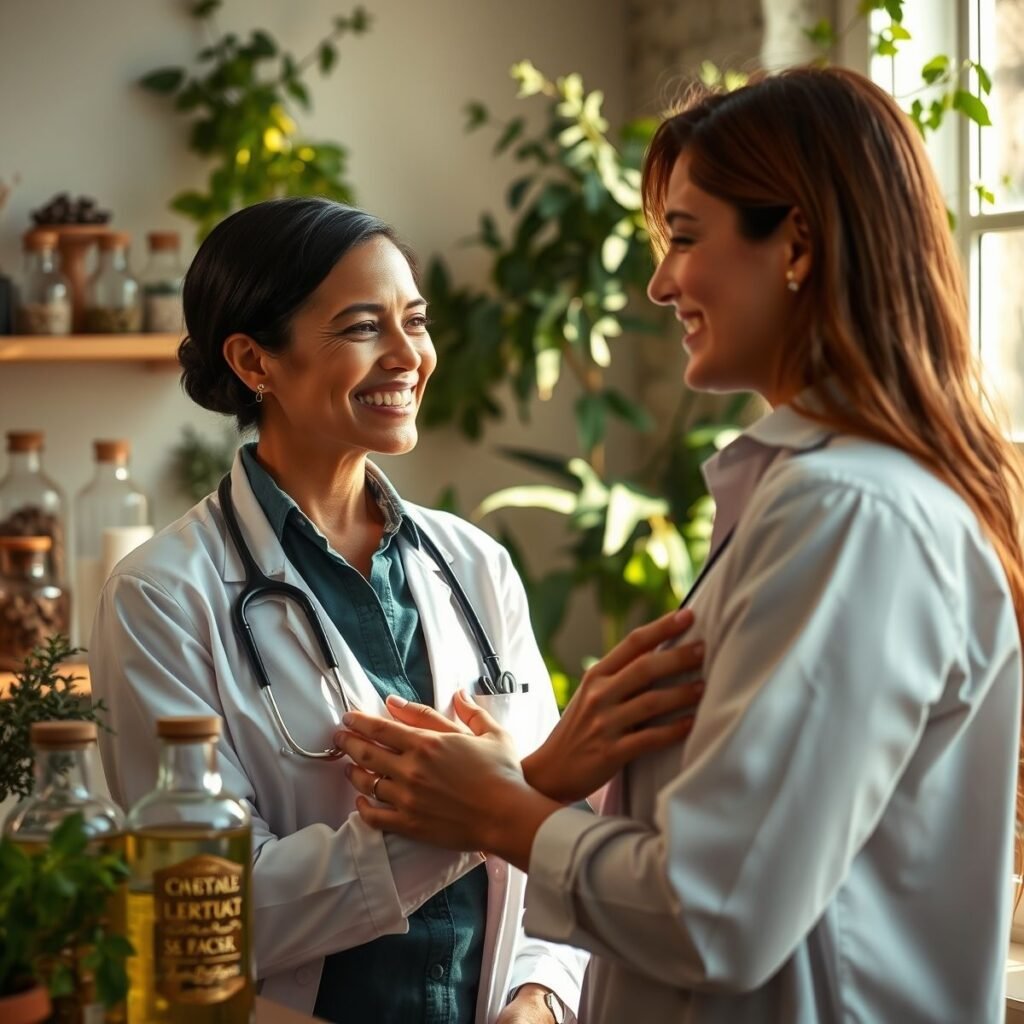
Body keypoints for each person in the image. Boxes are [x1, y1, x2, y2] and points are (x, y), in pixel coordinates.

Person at [337, 65, 1024, 1023]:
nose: (661, 284)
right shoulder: (814, 497)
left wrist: (503, 806)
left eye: (686, 239)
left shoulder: (847, 514)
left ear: (798, 244)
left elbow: (717, 912)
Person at [89, 196, 708, 1023]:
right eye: (360, 328)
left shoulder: (474, 565)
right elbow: (217, 916)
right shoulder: (161, 598)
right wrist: (505, 796)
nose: (408, 356)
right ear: (253, 361)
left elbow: (544, 853)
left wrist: (541, 995)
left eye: (413, 321)